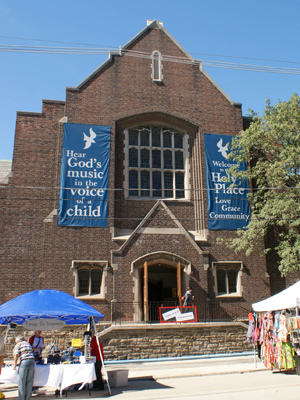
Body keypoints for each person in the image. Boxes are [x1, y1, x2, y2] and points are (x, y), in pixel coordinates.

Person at [13, 335, 35, 400]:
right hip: (32, 361)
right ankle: (27, 398)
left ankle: (22, 398)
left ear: (17, 340)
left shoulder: (18, 344)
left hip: (24, 362)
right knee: (29, 381)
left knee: (22, 382)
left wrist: (15, 364)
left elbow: (16, 354)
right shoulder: (28, 344)